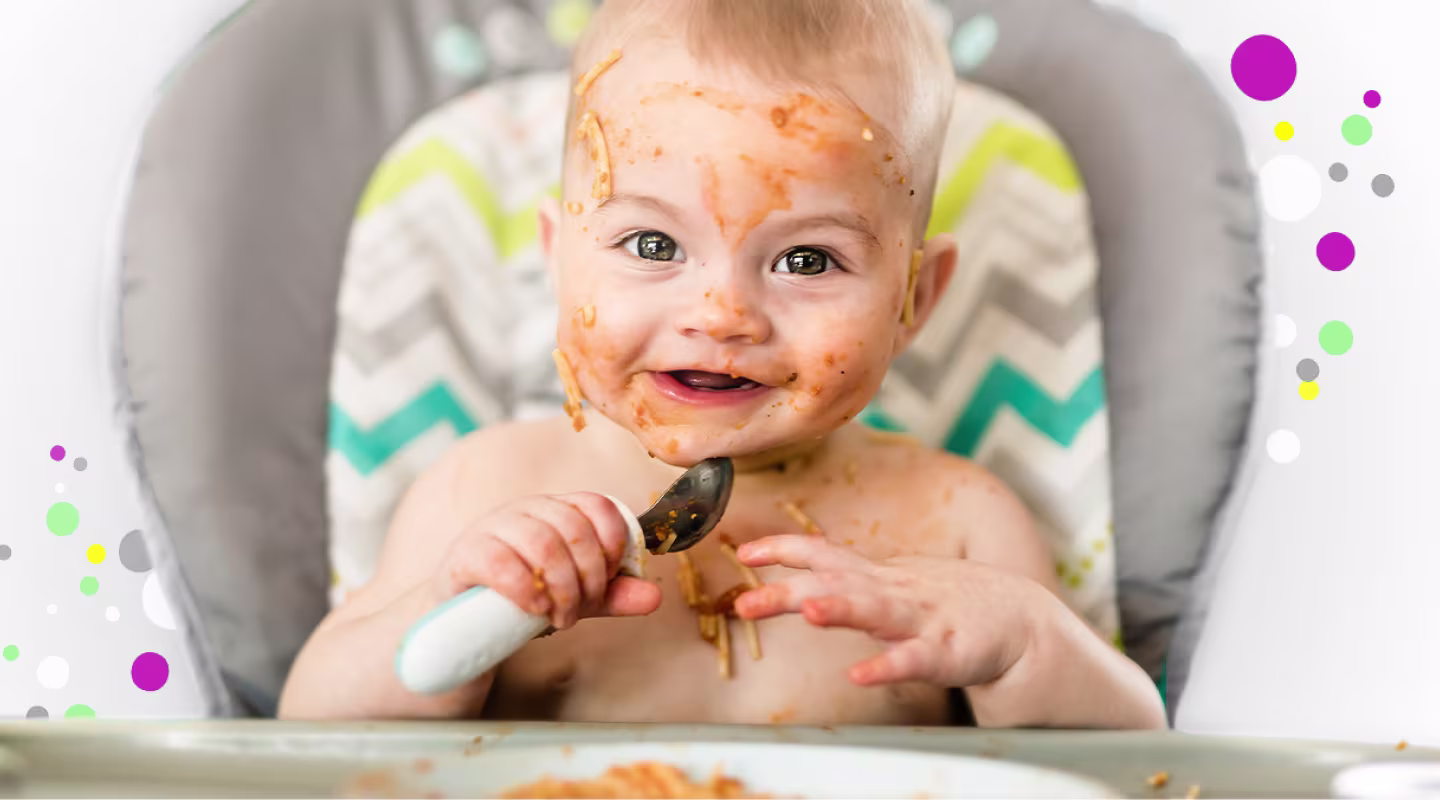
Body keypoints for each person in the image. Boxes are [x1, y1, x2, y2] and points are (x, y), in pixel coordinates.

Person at [280, 0, 1165, 729]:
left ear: (912, 301)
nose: (722, 315)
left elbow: (1133, 764)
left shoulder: (962, 525)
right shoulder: (482, 492)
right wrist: (458, 597)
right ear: (558, 258)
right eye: (653, 241)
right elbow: (311, 734)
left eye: (807, 260)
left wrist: (1023, 646)